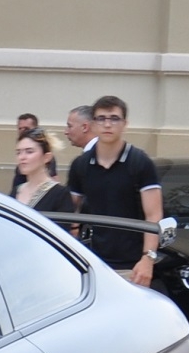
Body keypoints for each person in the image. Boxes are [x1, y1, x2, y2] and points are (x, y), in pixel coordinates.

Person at [64, 95, 163, 283]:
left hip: (132, 267)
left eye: (114, 118)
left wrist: (147, 259)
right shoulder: (81, 165)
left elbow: (154, 215)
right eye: (101, 118)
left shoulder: (140, 163)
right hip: (92, 264)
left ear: (125, 123)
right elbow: (70, 214)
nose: (107, 124)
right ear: (92, 124)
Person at [12, 132, 71, 214]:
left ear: (46, 157)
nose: (22, 157)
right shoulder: (16, 191)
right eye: (18, 152)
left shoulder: (59, 194)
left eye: (29, 152)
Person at [9, 114, 40, 191]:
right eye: (20, 129)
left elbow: (53, 177)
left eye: (26, 129)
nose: (22, 132)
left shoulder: (42, 152)